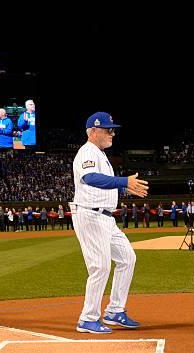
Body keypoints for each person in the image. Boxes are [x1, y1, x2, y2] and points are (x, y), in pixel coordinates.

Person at [70, 112, 148, 334]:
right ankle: (87, 318)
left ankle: (114, 311)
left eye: (113, 129)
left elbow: (103, 183)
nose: (112, 133)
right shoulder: (87, 152)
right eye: (108, 129)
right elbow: (90, 178)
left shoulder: (100, 154)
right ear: (93, 132)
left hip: (105, 218)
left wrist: (124, 187)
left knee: (127, 258)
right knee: (100, 267)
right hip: (90, 215)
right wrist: (123, 181)